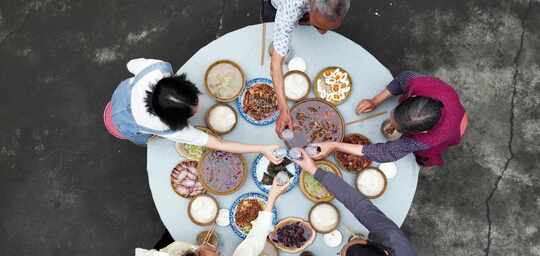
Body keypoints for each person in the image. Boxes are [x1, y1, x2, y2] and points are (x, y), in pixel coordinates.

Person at [293, 149, 428, 256]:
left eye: (341, 252)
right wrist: (315, 171)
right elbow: (359, 204)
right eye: (359, 241)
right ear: (385, 251)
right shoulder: (393, 238)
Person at [133, 177, 289, 256]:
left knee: (168, 236)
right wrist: (272, 198)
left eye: (212, 252)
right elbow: (252, 246)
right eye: (219, 255)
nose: (215, 248)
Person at [108, 58, 282, 164]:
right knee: (143, 137)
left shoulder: (156, 69)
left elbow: (131, 65)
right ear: (174, 121)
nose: (198, 109)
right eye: (191, 113)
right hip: (127, 122)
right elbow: (220, 144)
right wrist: (262, 148)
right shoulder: (171, 130)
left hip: (122, 92)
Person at [310, 71, 468, 166]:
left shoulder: (423, 140)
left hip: (454, 126)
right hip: (449, 102)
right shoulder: (419, 83)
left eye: (396, 126)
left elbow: (385, 152)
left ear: (421, 132)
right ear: (411, 97)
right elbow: (403, 78)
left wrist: (334, 145)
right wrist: (375, 101)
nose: (390, 123)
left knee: (428, 152)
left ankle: (424, 160)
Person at [268, 0, 351, 135]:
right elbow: (276, 64)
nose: (323, 34)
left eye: (329, 28)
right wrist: (284, 109)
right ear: (311, 4)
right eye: (318, 27)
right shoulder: (291, 7)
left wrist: (313, 21)